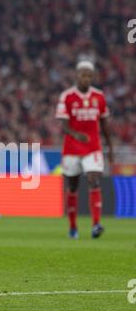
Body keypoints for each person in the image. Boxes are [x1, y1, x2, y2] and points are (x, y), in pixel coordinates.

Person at [56, 60, 113, 239]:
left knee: (94, 180)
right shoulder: (67, 96)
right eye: (83, 74)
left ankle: (96, 224)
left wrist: (110, 147)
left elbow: (104, 125)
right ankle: (73, 227)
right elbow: (63, 125)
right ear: (77, 75)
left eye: (89, 75)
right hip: (72, 148)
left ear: (92, 77)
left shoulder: (99, 96)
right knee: (72, 186)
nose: (86, 78)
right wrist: (76, 134)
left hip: (93, 147)